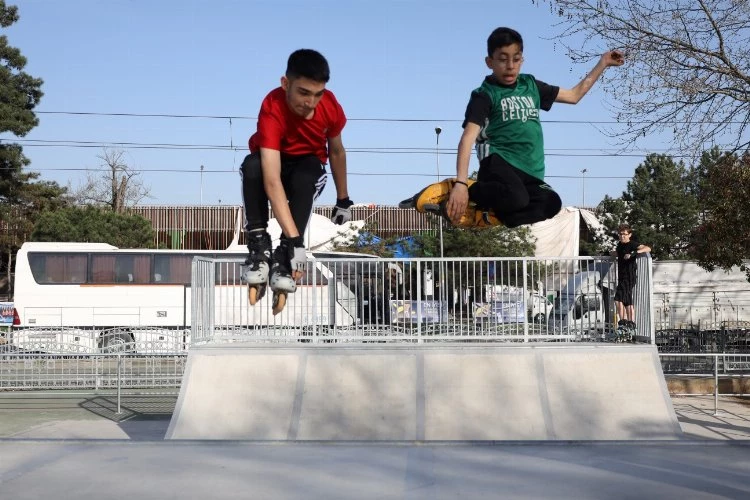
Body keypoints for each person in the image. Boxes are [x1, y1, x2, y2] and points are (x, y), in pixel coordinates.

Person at [446, 27, 625, 227]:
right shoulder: (485, 94)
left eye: (516, 59)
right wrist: (461, 183)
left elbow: (574, 96)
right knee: (517, 197)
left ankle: (491, 215)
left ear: (522, 59)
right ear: (490, 62)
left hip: (528, 171)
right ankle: (467, 192)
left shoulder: (531, 86)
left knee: (551, 203)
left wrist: (603, 63)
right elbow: (467, 138)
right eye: (503, 59)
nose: (510, 66)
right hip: (497, 162)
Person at [240, 49, 354, 295]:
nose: (310, 103)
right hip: (274, 165)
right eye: (303, 92)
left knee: (307, 176)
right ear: (285, 84)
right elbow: (271, 180)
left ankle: (284, 253)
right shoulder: (272, 106)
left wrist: (343, 199)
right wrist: (297, 241)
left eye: (317, 94)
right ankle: (259, 245)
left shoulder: (330, 106)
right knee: (251, 166)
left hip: (307, 166)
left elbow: (336, 152)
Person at [613, 223, 651, 332]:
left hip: (629, 277)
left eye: (625, 234)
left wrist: (634, 253)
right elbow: (618, 253)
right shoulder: (620, 245)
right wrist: (609, 253)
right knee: (627, 301)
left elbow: (648, 248)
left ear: (630, 235)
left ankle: (623, 323)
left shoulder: (632, 244)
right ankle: (631, 323)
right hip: (622, 277)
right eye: (620, 234)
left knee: (617, 299)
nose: (622, 236)